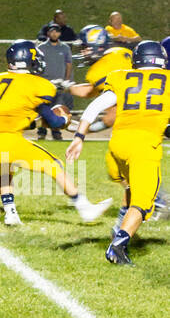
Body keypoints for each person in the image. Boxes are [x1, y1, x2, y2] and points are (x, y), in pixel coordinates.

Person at [0, 40, 111, 227]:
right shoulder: (38, 85)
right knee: (54, 165)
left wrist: (41, 121)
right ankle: (85, 208)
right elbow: (53, 122)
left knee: (6, 170)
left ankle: (10, 213)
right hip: (8, 141)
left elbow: (15, 114)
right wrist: (64, 120)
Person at [65, 41, 170, 267]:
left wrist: (79, 136)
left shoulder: (122, 77)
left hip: (117, 147)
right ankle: (119, 245)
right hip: (144, 147)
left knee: (131, 187)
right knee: (144, 203)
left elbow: (95, 107)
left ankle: (119, 224)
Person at [36, 22, 74, 140]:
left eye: (56, 31)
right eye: (52, 31)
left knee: (57, 107)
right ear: (48, 33)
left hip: (59, 84)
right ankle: (41, 132)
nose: (54, 33)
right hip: (45, 83)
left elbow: (68, 64)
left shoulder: (65, 48)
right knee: (43, 108)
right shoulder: (41, 47)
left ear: (59, 33)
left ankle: (56, 132)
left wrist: (66, 79)